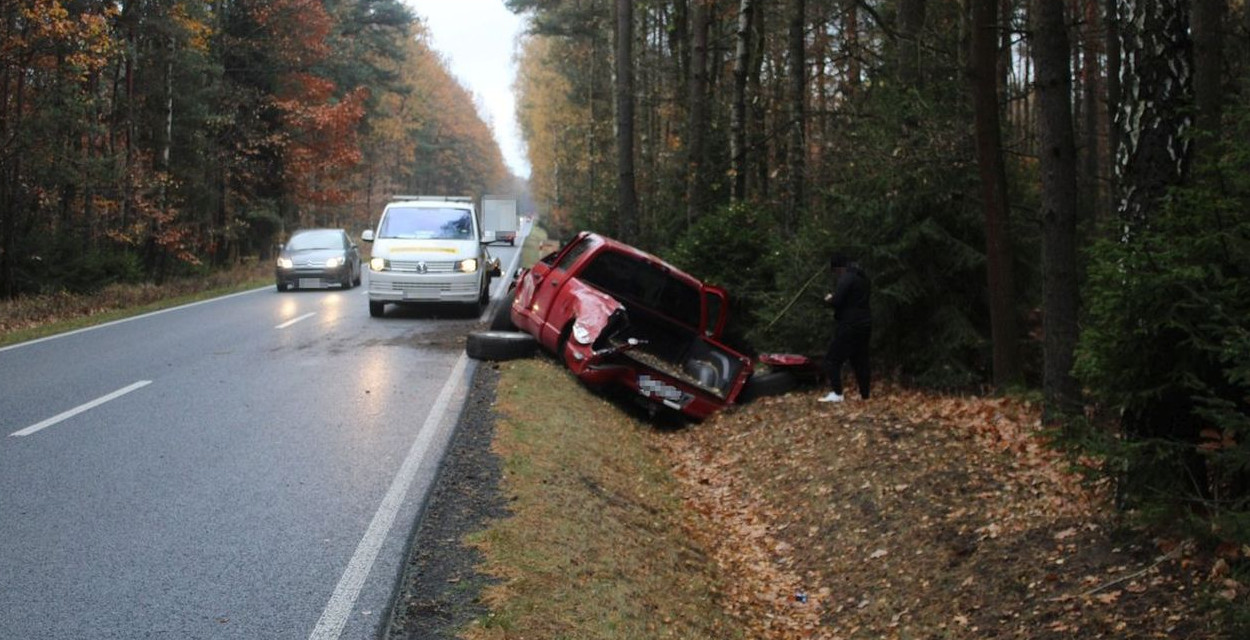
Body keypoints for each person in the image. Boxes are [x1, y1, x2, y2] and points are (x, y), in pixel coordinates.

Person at [818, 252, 872, 402]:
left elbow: (837, 301)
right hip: (865, 323)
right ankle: (865, 395)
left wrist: (829, 299)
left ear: (838, 268)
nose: (835, 274)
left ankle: (837, 393)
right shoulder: (863, 277)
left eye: (835, 271)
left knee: (832, 359)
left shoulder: (846, 278)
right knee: (860, 359)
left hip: (849, 324)